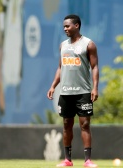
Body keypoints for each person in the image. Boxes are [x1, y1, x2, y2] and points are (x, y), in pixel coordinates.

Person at [47, 14, 99, 167]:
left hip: (83, 92)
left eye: (67, 26)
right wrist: (53, 86)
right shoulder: (63, 45)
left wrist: (95, 87)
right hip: (66, 92)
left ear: (77, 26)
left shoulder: (89, 44)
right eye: (64, 26)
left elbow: (94, 67)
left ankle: (87, 160)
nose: (65, 29)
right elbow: (60, 68)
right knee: (66, 125)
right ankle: (67, 160)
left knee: (84, 125)